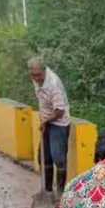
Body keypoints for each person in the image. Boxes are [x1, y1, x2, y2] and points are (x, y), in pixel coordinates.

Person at [29, 57, 71, 196]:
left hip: (59, 123)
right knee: (43, 157)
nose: (36, 78)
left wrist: (45, 121)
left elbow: (60, 110)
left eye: (38, 75)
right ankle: (47, 192)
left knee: (58, 159)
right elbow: (42, 101)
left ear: (44, 70)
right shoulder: (37, 79)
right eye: (33, 75)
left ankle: (60, 194)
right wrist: (44, 120)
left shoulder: (53, 85)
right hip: (47, 120)